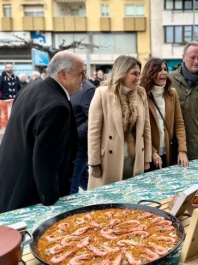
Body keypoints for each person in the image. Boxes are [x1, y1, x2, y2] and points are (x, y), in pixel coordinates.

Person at [0, 51, 83, 213]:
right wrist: (51, 202)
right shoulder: (56, 106)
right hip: (28, 194)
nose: (85, 79)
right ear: (64, 74)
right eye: (81, 73)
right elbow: (45, 163)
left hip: (9, 181)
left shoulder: (32, 87)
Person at [87, 55, 151, 189]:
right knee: (108, 202)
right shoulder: (102, 93)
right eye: (134, 74)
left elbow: (146, 128)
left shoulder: (141, 94)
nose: (138, 77)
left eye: (139, 73)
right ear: (122, 74)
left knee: (132, 199)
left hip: (134, 158)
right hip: (109, 160)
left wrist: (147, 158)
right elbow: (93, 131)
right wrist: (94, 163)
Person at [140, 58, 189, 169]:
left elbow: (179, 123)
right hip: (148, 154)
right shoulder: (141, 95)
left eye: (165, 69)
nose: (164, 73)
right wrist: (151, 151)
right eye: (159, 70)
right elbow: (139, 129)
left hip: (169, 151)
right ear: (150, 73)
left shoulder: (172, 93)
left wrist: (182, 150)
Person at [70, 79, 96, 194]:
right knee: (83, 179)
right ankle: (96, 201)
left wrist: (76, 134)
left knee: (71, 186)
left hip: (79, 145)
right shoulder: (70, 85)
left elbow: (93, 118)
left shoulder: (88, 89)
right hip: (70, 145)